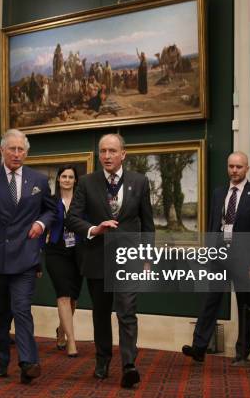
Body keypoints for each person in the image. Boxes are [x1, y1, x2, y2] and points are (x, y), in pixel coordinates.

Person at [65, 133, 154, 388]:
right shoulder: (86, 182)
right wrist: (94, 228)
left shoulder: (139, 181)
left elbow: (147, 224)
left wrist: (148, 257)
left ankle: (129, 365)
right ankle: (102, 360)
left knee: (127, 311)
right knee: (101, 313)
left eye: (112, 151)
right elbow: (72, 219)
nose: (107, 156)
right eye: (103, 151)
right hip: (96, 258)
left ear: (123, 154)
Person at [0, 129, 55, 384]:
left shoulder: (38, 179)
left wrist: (41, 223)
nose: (17, 154)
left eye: (21, 150)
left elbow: (51, 211)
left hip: (25, 257)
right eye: (12, 149)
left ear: (26, 153)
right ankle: (1, 360)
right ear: (2, 150)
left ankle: (28, 362)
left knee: (21, 309)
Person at [182, 152, 250, 365]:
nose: (234, 170)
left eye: (239, 167)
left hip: (245, 259)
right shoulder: (218, 193)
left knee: (245, 305)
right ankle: (199, 348)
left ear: (247, 168)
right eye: (231, 166)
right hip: (219, 256)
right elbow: (214, 225)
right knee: (210, 301)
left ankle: (242, 353)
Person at [45, 165, 83, 357]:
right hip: (55, 252)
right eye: (63, 176)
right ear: (58, 179)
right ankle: (72, 342)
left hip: (78, 253)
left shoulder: (81, 201)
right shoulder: (50, 201)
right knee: (63, 295)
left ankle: (61, 330)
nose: (67, 179)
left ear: (75, 180)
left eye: (71, 177)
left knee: (74, 298)